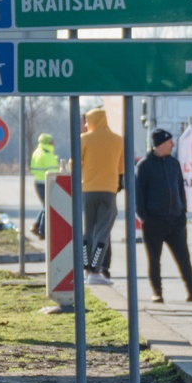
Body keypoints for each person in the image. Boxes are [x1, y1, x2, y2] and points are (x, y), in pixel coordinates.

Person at [135, 129, 192, 304]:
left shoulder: (173, 163)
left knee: (184, 258)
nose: (172, 145)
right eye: (169, 142)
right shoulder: (145, 165)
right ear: (161, 144)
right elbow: (138, 195)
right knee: (154, 259)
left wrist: (182, 213)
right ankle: (157, 292)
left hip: (175, 221)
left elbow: (180, 190)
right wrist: (145, 217)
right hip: (154, 221)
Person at [80, 108, 122, 286]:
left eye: (87, 121)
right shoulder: (118, 140)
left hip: (87, 189)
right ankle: (96, 270)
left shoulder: (85, 139)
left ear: (92, 121)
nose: (85, 124)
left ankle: (85, 269)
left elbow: (74, 162)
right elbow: (122, 167)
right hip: (109, 191)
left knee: (87, 231)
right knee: (103, 232)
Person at [29, 133, 58, 239]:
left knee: (45, 206)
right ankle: (41, 230)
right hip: (47, 182)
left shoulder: (37, 152)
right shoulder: (47, 154)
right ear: (48, 142)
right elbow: (53, 171)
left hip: (38, 182)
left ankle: (36, 226)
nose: (53, 143)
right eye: (52, 141)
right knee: (47, 206)